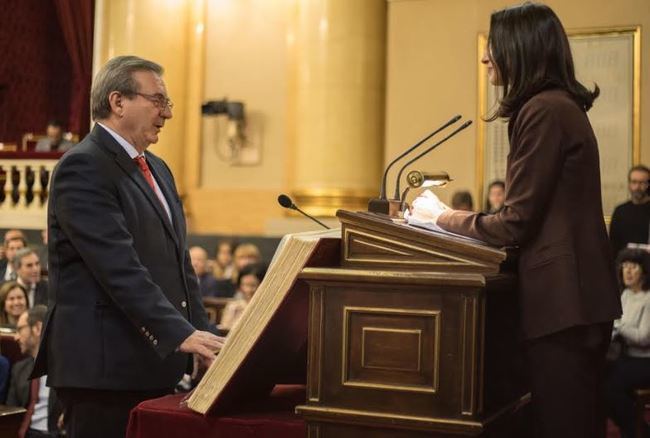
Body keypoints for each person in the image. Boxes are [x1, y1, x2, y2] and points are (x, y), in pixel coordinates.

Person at [415, 4, 621, 437]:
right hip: (572, 304)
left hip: (564, 306)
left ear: (521, 48)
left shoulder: (544, 110)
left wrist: (441, 217)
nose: (486, 57)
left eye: (494, 46)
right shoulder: (554, 107)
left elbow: (515, 223)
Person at [31, 55, 224, 438]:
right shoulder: (82, 166)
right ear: (118, 102)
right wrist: (180, 334)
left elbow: (179, 265)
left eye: (167, 103)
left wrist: (203, 341)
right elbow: (117, 267)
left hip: (152, 364)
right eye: (158, 101)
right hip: (104, 372)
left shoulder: (159, 169)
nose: (166, 114)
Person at [606, 249, 650, 438]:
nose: (628, 272)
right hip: (628, 356)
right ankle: (635, 427)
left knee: (611, 386)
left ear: (645, 272)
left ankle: (632, 431)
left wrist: (619, 327)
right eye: (624, 267)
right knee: (598, 379)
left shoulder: (648, 299)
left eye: (633, 267)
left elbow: (644, 337)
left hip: (645, 360)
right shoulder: (625, 295)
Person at [8, 305, 63, 438]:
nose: (16, 337)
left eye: (20, 329)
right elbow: (11, 411)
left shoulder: (67, 368)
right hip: (27, 433)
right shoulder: (19, 369)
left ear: (38, 328)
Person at [610, 165, 650, 257]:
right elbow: (613, 245)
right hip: (625, 266)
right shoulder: (620, 211)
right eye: (634, 182)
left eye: (642, 183)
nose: (637, 187)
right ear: (629, 184)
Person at [219, 263, 266, 332]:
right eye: (245, 285)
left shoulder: (267, 307)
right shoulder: (233, 306)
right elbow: (224, 330)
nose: (248, 290)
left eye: (253, 285)